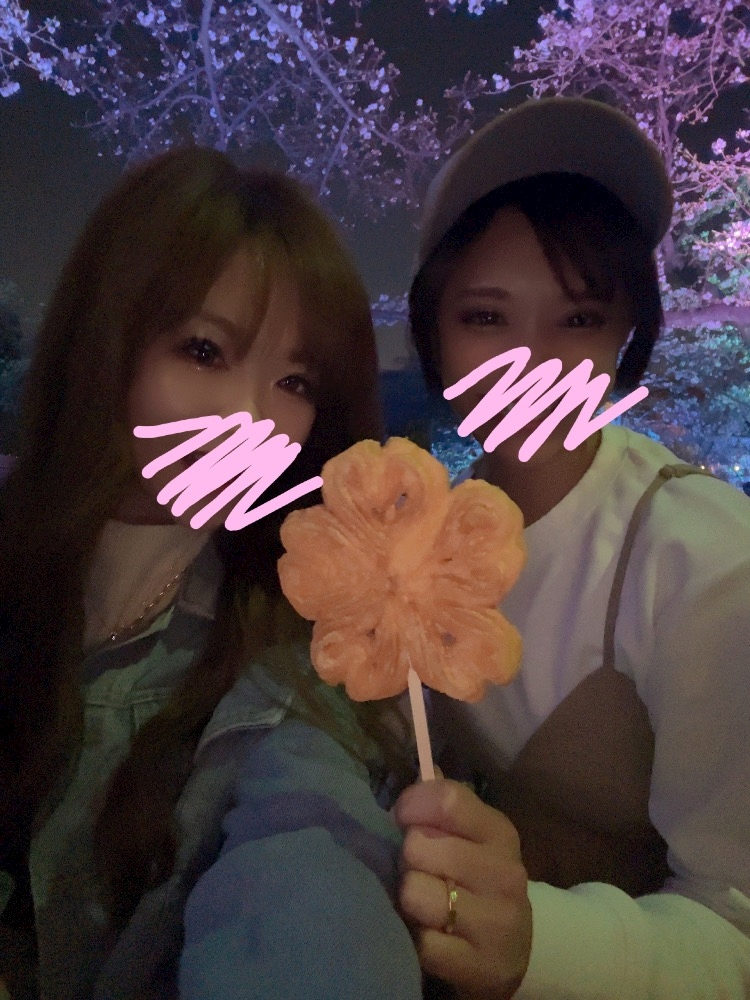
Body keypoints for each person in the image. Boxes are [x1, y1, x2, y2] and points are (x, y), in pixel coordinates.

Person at [0, 148, 422, 1000]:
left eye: (294, 380)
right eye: (203, 350)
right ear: (104, 338)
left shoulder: (292, 647)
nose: (250, 422)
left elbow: (308, 845)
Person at [394, 97, 750, 999]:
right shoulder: (421, 540)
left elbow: (737, 925)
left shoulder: (703, 562)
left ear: (627, 334)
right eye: (486, 318)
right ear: (434, 332)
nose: (531, 365)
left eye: (579, 319)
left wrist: (538, 945)